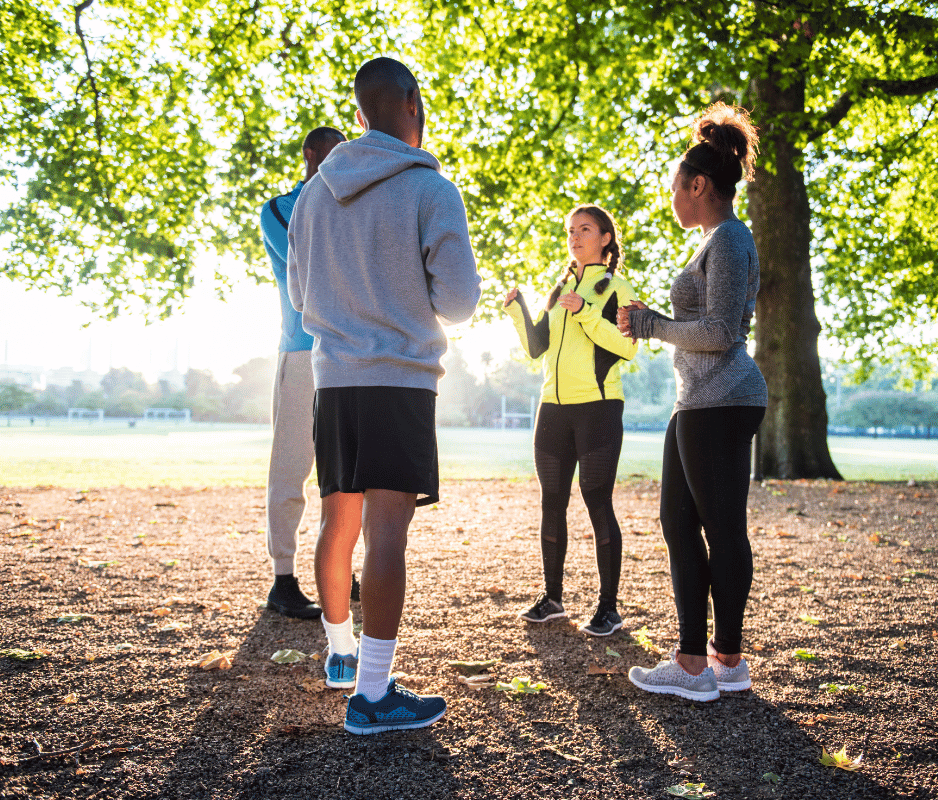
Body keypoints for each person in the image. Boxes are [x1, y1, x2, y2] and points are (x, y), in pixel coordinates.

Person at [289, 56, 482, 734]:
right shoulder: (432, 191)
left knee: (336, 523)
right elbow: (458, 304)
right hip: (398, 382)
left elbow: (299, 296)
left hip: (333, 382)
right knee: (388, 535)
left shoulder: (312, 194)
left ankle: (341, 654)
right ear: (410, 102)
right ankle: (372, 697)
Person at [619, 103, 766, 702]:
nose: (671, 198)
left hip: (722, 401)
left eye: (674, 188)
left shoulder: (729, 238)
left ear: (698, 185)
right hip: (698, 401)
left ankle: (713, 664)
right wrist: (651, 321)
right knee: (679, 523)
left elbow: (722, 331)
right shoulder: (715, 240)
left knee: (720, 529)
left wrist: (653, 324)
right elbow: (705, 324)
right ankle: (704, 663)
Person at [503, 205, 639, 636]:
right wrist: (517, 311)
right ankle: (552, 597)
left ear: (605, 238)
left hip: (597, 407)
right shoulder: (560, 286)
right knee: (551, 501)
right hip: (553, 409)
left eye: (585, 229)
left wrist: (584, 311)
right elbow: (537, 346)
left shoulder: (618, 287)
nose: (575, 237)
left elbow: (626, 346)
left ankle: (608, 608)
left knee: (597, 501)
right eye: (570, 230)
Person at [260, 126, 346, 620]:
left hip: (344, 356)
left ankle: (339, 569)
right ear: (311, 154)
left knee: (341, 472)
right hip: (300, 354)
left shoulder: (345, 206)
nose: (340, 162)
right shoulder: (278, 209)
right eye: (333, 152)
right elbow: (315, 261)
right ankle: (284, 578)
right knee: (290, 468)